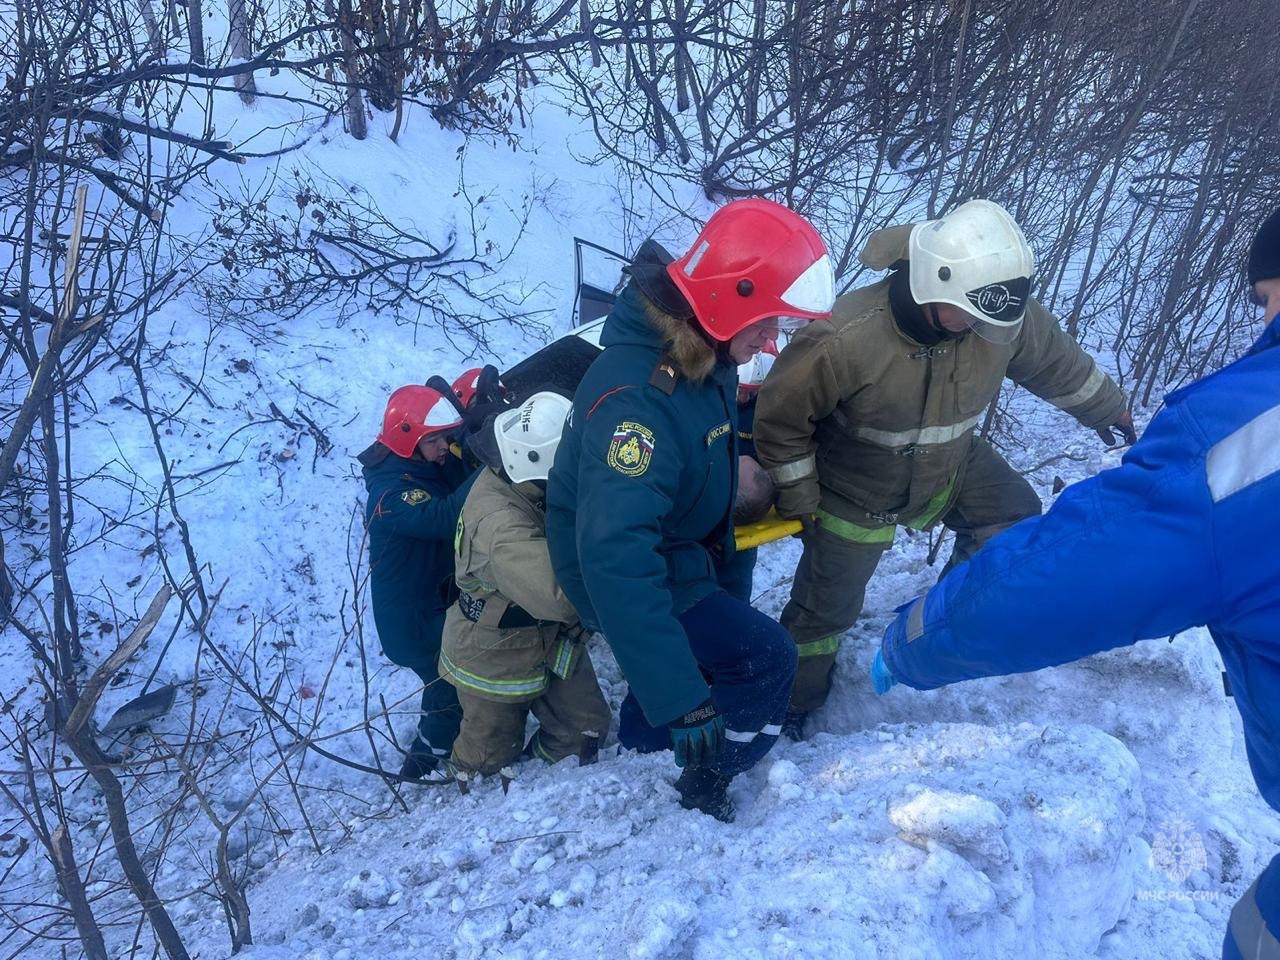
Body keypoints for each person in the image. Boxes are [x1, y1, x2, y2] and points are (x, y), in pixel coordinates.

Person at [873, 206, 1280, 960]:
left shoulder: (1244, 441)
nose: (1263, 318)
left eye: (1265, 298)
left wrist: (918, 639)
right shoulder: (858, 335)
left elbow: (1067, 579)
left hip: (940, 478)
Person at [753, 199, 1136, 737]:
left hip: (952, 461)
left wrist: (1109, 407)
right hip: (852, 486)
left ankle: (943, 627)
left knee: (1011, 517)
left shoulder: (992, 308)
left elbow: (1052, 357)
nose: (983, 327)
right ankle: (792, 704)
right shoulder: (842, 339)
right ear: (935, 290)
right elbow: (780, 423)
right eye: (972, 317)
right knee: (825, 612)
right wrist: (800, 498)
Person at [546, 198, 835, 821]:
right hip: (636, 568)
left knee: (707, 659)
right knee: (765, 659)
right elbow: (617, 561)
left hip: (680, 547)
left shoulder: (705, 348)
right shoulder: (636, 404)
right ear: (730, 301)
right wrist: (682, 701)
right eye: (767, 323)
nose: (772, 340)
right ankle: (694, 783)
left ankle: (647, 743)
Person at [439, 392, 611, 790]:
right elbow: (558, 594)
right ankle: (485, 809)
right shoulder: (500, 525)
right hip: (495, 652)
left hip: (549, 637)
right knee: (486, 761)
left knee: (585, 733)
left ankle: (543, 783)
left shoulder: (523, 481)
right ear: (532, 462)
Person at [359, 384, 477, 782]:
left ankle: (432, 752)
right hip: (411, 623)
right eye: (436, 439)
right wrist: (493, 469)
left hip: (431, 605)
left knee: (447, 680)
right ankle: (424, 763)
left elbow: (455, 475)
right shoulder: (390, 495)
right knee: (451, 683)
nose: (445, 446)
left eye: (446, 436)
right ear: (408, 441)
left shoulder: (421, 468)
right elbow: (444, 516)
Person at [716, 347, 778, 602]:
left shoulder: (772, 413)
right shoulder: (714, 397)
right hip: (716, 498)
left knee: (739, 571)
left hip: (744, 506)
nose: (741, 397)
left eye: (750, 393)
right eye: (739, 390)